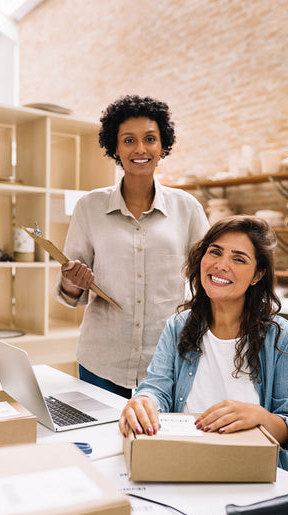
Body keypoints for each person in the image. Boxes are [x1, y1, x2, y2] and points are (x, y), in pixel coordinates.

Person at [119, 215, 288, 472]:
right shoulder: (179, 326)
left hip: (251, 468)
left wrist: (261, 417)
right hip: (181, 458)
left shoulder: (281, 335)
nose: (221, 265)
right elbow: (158, 388)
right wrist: (145, 401)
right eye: (215, 252)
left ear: (257, 275)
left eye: (238, 259)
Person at [54, 95, 209, 399]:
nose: (140, 149)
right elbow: (71, 294)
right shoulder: (89, 207)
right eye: (128, 140)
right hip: (101, 360)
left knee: (161, 445)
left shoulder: (187, 208)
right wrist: (72, 282)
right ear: (115, 148)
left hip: (168, 359)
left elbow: (212, 278)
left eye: (150, 139)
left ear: (162, 145)